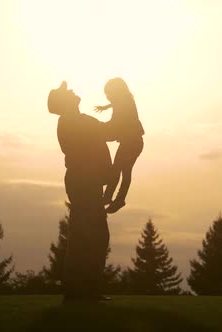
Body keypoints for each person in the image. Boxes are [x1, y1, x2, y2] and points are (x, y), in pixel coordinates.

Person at [48, 81, 116, 302]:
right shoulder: (74, 122)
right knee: (89, 235)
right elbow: (110, 132)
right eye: (67, 92)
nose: (72, 91)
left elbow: (107, 133)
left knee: (88, 235)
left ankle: (83, 290)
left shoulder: (76, 121)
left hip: (85, 182)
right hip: (84, 182)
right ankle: (81, 291)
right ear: (64, 102)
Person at [94, 77, 145, 214]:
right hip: (132, 142)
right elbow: (117, 105)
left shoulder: (122, 104)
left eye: (108, 94)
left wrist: (99, 131)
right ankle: (112, 197)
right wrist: (106, 106)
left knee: (120, 170)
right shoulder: (126, 100)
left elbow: (114, 126)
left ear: (115, 92)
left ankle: (113, 197)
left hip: (131, 142)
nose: (107, 97)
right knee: (122, 170)